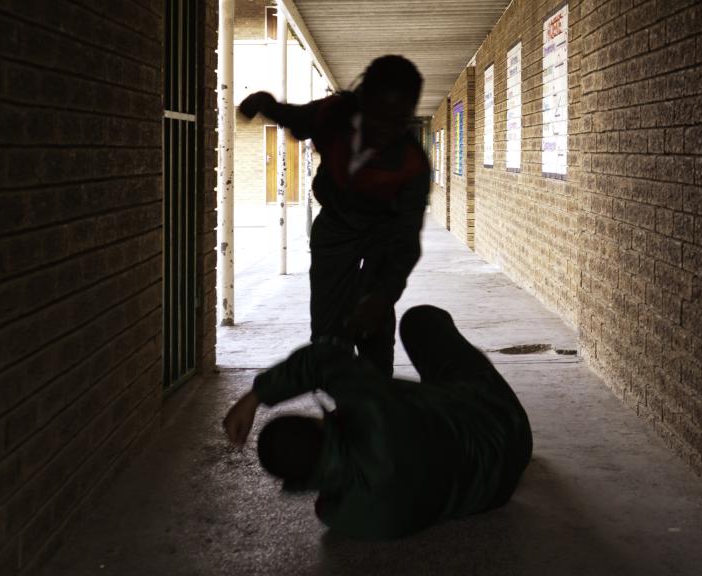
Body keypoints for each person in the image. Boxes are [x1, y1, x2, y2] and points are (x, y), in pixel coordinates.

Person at [222, 305, 533, 540]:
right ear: (319, 425)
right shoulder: (373, 410)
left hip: (496, 491)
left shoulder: (340, 516)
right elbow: (324, 360)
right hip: (500, 422)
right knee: (421, 320)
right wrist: (253, 397)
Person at [238, 55, 431, 378]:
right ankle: (334, 389)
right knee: (328, 329)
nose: (385, 130)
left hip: (383, 232)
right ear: (363, 100)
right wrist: (265, 103)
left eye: (397, 121)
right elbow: (297, 119)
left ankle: (375, 395)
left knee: (374, 324)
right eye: (379, 117)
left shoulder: (411, 163)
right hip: (337, 227)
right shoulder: (334, 114)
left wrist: (382, 296)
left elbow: (406, 242)